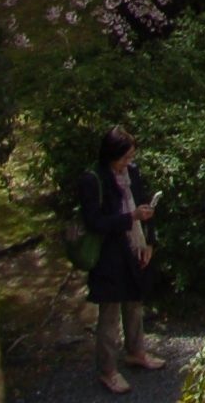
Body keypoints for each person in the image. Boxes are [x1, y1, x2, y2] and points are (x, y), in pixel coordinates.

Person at [77, 128, 161, 393]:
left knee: (135, 304)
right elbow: (94, 222)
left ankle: (136, 351)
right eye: (123, 158)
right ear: (110, 155)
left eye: (130, 157)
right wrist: (130, 218)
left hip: (133, 247)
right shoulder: (93, 180)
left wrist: (149, 241)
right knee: (110, 314)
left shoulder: (132, 173)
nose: (128, 162)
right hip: (108, 254)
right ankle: (108, 370)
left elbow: (144, 206)